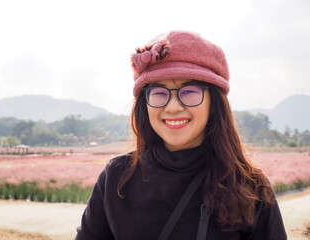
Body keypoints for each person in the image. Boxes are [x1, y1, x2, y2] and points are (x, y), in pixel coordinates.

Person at [75, 31, 287, 240]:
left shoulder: (251, 187)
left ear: (213, 103)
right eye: (159, 93)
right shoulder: (117, 177)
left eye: (190, 92)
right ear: (144, 104)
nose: (173, 107)